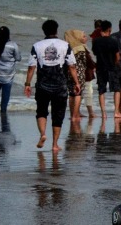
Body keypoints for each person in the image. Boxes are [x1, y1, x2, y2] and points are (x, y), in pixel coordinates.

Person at [23, 19, 78, 151]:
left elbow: (31, 67)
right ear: (56, 30)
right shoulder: (65, 45)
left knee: (41, 111)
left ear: (44, 31)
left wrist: (27, 83)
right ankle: (54, 145)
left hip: (42, 85)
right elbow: (72, 66)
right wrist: (76, 83)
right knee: (58, 115)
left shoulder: (37, 46)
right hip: (60, 85)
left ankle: (43, 134)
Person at [91, 19, 121, 119]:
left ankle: (103, 113)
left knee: (101, 90)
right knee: (117, 89)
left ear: (101, 29)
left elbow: (95, 54)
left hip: (100, 68)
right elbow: (117, 57)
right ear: (109, 29)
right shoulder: (113, 41)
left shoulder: (96, 41)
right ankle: (116, 112)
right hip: (112, 68)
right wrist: (115, 64)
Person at [0, 26, 22, 115]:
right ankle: (3, 111)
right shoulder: (13, 45)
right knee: (6, 93)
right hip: (8, 74)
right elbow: (18, 58)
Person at [65, 29, 94, 119]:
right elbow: (87, 62)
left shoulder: (67, 48)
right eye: (83, 36)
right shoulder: (81, 49)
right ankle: (75, 115)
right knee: (78, 93)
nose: (85, 38)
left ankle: (72, 114)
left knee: (71, 94)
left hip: (68, 73)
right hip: (79, 73)